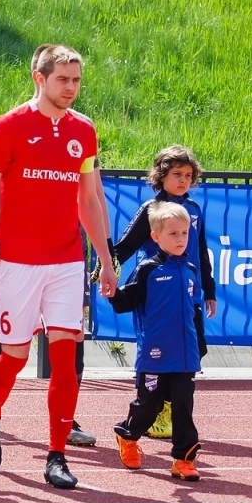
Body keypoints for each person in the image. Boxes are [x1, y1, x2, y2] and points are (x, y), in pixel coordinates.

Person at [0, 44, 118, 491]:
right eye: (63, 79)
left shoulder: (84, 130)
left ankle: (56, 454)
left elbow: (88, 200)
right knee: (15, 356)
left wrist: (105, 260)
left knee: (66, 360)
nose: (71, 87)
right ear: (39, 79)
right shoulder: (11, 125)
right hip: (19, 261)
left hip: (67, 261)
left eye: (76, 80)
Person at [112, 144, 218, 442]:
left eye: (188, 175)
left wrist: (209, 290)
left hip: (189, 292)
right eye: (177, 174)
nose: (183, 180)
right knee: (156, 354)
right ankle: (148, 410)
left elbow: (201, 251)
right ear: (161, 176)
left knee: (195, 350)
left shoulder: (193, 210)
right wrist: (107, 268)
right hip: (158, 295)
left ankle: (166, 410)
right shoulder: (152, 209)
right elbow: (125, 246)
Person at [109, 201, 207, 481]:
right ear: (156, 237)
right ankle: (128, 435)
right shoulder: (147, 270)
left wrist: (197, 344)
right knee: (148, 407)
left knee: (183, 408)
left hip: (185, 357)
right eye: (173, 233)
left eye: (184, 233)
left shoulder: (190, 269)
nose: (180, 239)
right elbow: (126, 302)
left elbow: (193, 310)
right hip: (155, 354)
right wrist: (112, 292)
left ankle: (183, 459)